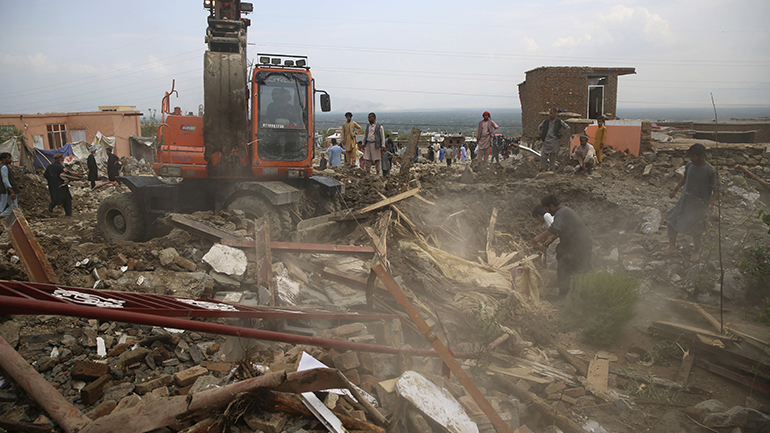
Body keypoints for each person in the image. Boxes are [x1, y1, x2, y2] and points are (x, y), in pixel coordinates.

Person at [664, 143, 718, 259]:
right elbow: (685, 177)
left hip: (699, 206)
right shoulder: (689, 165)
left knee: (697, 229)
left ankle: (696, 251)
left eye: (693, 157)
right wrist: (675, 190)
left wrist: (711, 204)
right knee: (672, 221)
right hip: (684, 201)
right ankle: (672, 247)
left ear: (702, 156)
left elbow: (716, 190)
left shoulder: (710, 171)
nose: (691, 159)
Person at [531, 195, 592, 296]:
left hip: (578, 246)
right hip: (582, 244)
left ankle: (564, 297)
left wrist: (538, 238)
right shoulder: (565, 211)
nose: (547, 212)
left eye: (546, 209)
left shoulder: (560, 213)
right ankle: (576, 295)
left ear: (551, 206)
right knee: (579, 270)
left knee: (564, 269)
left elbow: (555, 228)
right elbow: (563, 229)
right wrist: (552, 239)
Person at [538, 108, 570, 172]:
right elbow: (539, 127)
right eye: (549, 113)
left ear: (555, 114)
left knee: (553, 156)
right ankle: (543, 169)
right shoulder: (546, 121)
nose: (550, 115)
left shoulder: (559, 121)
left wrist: (561, 134)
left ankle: (551, 170)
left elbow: (567, 127)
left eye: (551, 114)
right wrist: (541, 135)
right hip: (546, 141)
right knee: (543, 155)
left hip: (554, 141)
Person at [531, 205, 558, 270]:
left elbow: (554, 229)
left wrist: (539, 238)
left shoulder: (546, 216)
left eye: (537, 219)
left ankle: (551, 271)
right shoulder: (548, 217)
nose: (538, 221)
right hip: (556, 239)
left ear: (539, 216)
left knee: (550, 253)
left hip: (557, 240)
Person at [0, 152, 19, 218]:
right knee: (14, 207)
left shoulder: (5, 167)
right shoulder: (4, 168)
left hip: (6, 191)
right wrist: (11, 191)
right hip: (6, 191)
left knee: (3, 206)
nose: (11, 160)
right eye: (9, 158)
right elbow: (5, 180)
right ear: (3, 159)